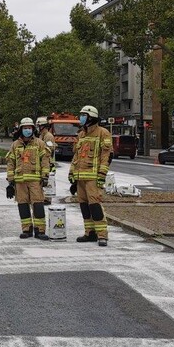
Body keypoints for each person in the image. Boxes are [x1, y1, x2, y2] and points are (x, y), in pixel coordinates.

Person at [69, 105, 112, 246]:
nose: (80, 118)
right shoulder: (81, 134)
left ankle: (102, 235)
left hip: (93, 177)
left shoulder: (103, 133)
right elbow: (76, 157)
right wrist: (72, 175)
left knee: (95, 206)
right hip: (80, 177)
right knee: (84, 207)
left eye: (83, 115)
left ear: (91, 117)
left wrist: (101, 175)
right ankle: (90, 233)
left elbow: (106, 156)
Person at [6, 117, 51, 240]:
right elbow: (11, 163)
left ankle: (40, 230)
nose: (27, 130)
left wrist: (45, 177)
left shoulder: (39, 144)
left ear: (33, 129)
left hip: (35, 181)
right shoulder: (15, 145)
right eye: (25, 128)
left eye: (29, 128)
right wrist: (10, 181)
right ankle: (27, 229)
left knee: (38, 205)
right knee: (23, 205)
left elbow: (45, 161)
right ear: (21, 129)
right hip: (20, 182)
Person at [36, 116, 56, 205]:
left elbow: (50, 148)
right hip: (42, 161)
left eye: (39, 126)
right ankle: (43, 197)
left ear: (43, 126)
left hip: (49, 162)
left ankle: (47, 199)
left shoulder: (49, 136)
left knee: (48, 180)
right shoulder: (41, 136)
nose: (38, 127)